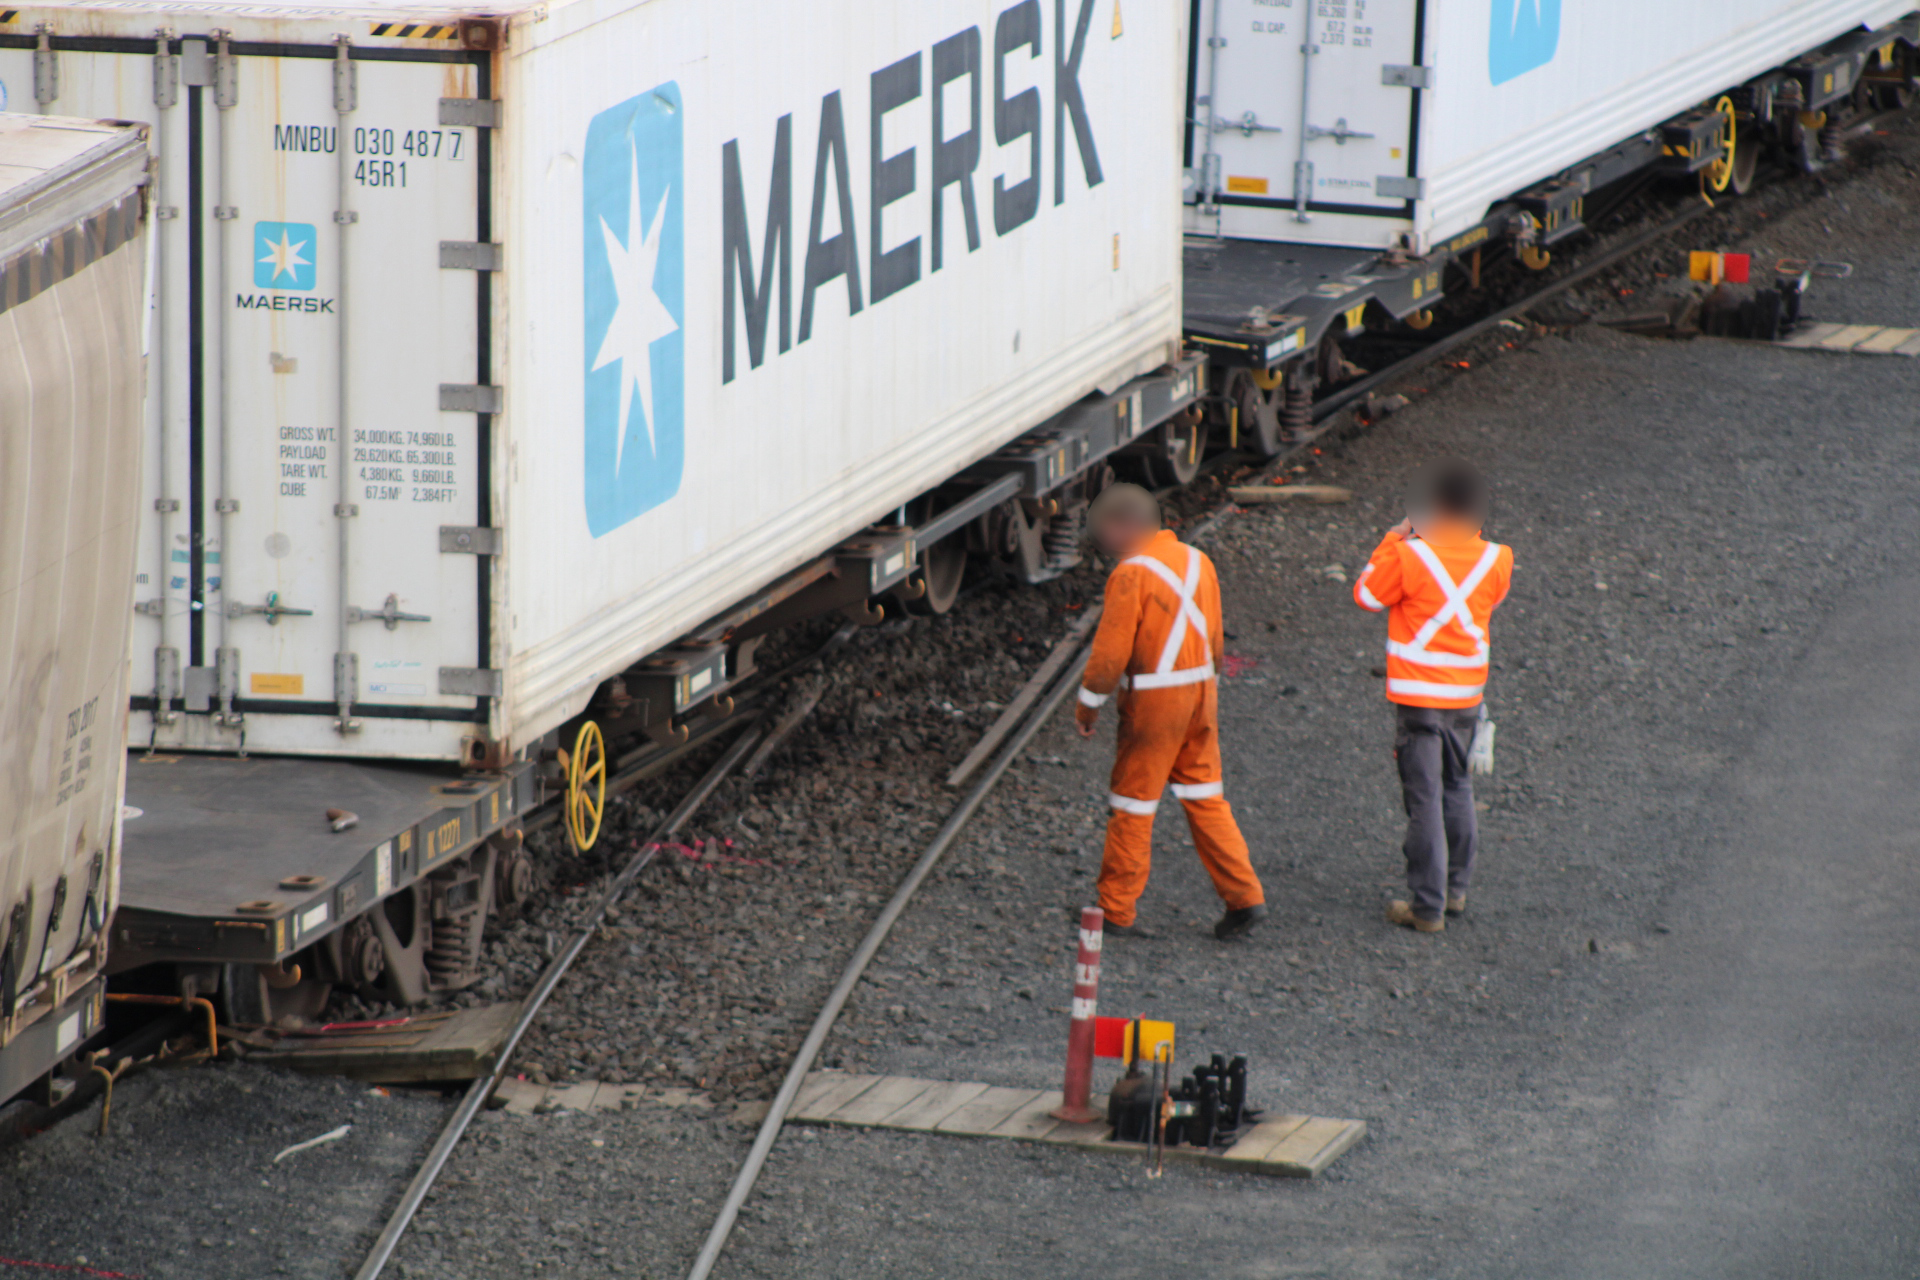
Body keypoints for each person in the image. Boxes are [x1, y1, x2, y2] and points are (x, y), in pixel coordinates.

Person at [1074, 483, 1267, 940]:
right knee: (1205, 797)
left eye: (1104, 530)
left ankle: (1116, 911)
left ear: (1124, 527)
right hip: (1200, 692)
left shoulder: (1130, 573)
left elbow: (1110, 654)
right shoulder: (1199, 561)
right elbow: (1216, 640)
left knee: (1132, 803)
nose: (1101, 541)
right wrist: (1207, 686)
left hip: (1156, 702)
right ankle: (1244, 897)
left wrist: (1089, 703)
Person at [1353, 460, 1513, 934]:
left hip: (1419, 695)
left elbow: (1366, 595)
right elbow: (1490, 603)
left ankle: (1427, 907)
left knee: (1424, 799)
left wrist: (1393, 536)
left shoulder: (1409, 555)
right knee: (1458, 787)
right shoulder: (1498, 557)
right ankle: (1456, 891)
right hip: (1467, 693)